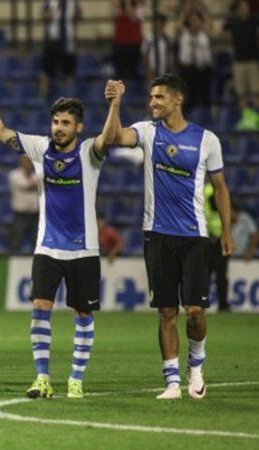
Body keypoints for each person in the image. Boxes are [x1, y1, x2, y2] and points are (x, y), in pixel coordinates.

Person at [0, 79, 125, 399]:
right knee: (39, 308)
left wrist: (115, 104)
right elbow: (2, 132)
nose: (59, 128)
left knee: (83, 315)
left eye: (65, 123)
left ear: (78, 126)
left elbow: (110, 137)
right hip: (47, 248)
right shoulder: (40, 147)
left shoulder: (90, 153)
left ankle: (76, 378)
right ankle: (42, 378)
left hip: (84, 250)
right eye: (56, 122)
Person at [112, 73, 233, 399]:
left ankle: (196, 367)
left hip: (194, 237)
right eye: (151, 98)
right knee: (166, 312)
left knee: (194, 312)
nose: (152, 103)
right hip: (157, 236)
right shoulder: (147, 132)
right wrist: (116, 104)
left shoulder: (207, 140)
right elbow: (114, 138)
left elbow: (221, 188)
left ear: (177, 100)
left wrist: (227, 232)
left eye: (159, 98)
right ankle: (171, 383)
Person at [224, 0, 259, 129]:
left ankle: (256, 119)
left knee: (255, 93)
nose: (244, 9)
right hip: (238, 62)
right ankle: (246, 120)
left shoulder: (255, 19)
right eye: (241, 8)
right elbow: (220, 31)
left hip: (252, 61)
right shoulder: (232, 22)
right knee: (241, 94)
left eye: (246, 7)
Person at [40, 0, 82, 96]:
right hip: (53, 41)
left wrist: (76, 14)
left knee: (69, 72)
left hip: (68, 41)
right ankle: (45, 96)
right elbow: (42, 16)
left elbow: (79, 15)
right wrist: (50, 14)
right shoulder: (49, 2)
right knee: (47, 71)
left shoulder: (72, 3)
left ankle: (68, 96)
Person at [178, 11, 213, 110]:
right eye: (192, 19)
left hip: (203, 69)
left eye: (196, 19)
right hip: (187, 70)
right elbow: (179, 23)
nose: (194, 22)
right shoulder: (184, 34)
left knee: (204, 97)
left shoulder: (204, 35)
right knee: (188, 99)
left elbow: (210, 24)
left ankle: (204, 118)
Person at [204, 182, 229, 311]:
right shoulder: (213, 188)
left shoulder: (207, 189)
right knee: (217, 276)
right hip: (212, 239)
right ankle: (222, 304)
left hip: (216, 239)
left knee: (216, 276)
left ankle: (216, 304)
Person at [9, 156, 39, 252]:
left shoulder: (37, 175)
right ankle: (13, 259)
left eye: (29, 162)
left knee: (36, 240)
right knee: (17, 239)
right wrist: (38, 185)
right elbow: (27, 186)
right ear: (21, 162)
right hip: (20, 213)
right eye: (25, 161)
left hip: (35, 213)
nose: (27, 164)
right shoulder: (14, 175)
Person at [112, 0, 144, 81]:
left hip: (133, 43)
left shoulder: (138, 6)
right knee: (119, 73)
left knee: (132, 72)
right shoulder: (120, 7)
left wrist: (127, 3)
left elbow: (132, 17)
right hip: (119, 43)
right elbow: (115, 15)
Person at [142, 13, 174, 84]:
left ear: (164, 24)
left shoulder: (168, 40)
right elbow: (145, 55)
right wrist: (148, 71)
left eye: (161, 23)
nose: (158, 26)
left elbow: (170, 57)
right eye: (156, 23)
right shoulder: (149, 39)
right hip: (152, 72)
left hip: (165, 71)